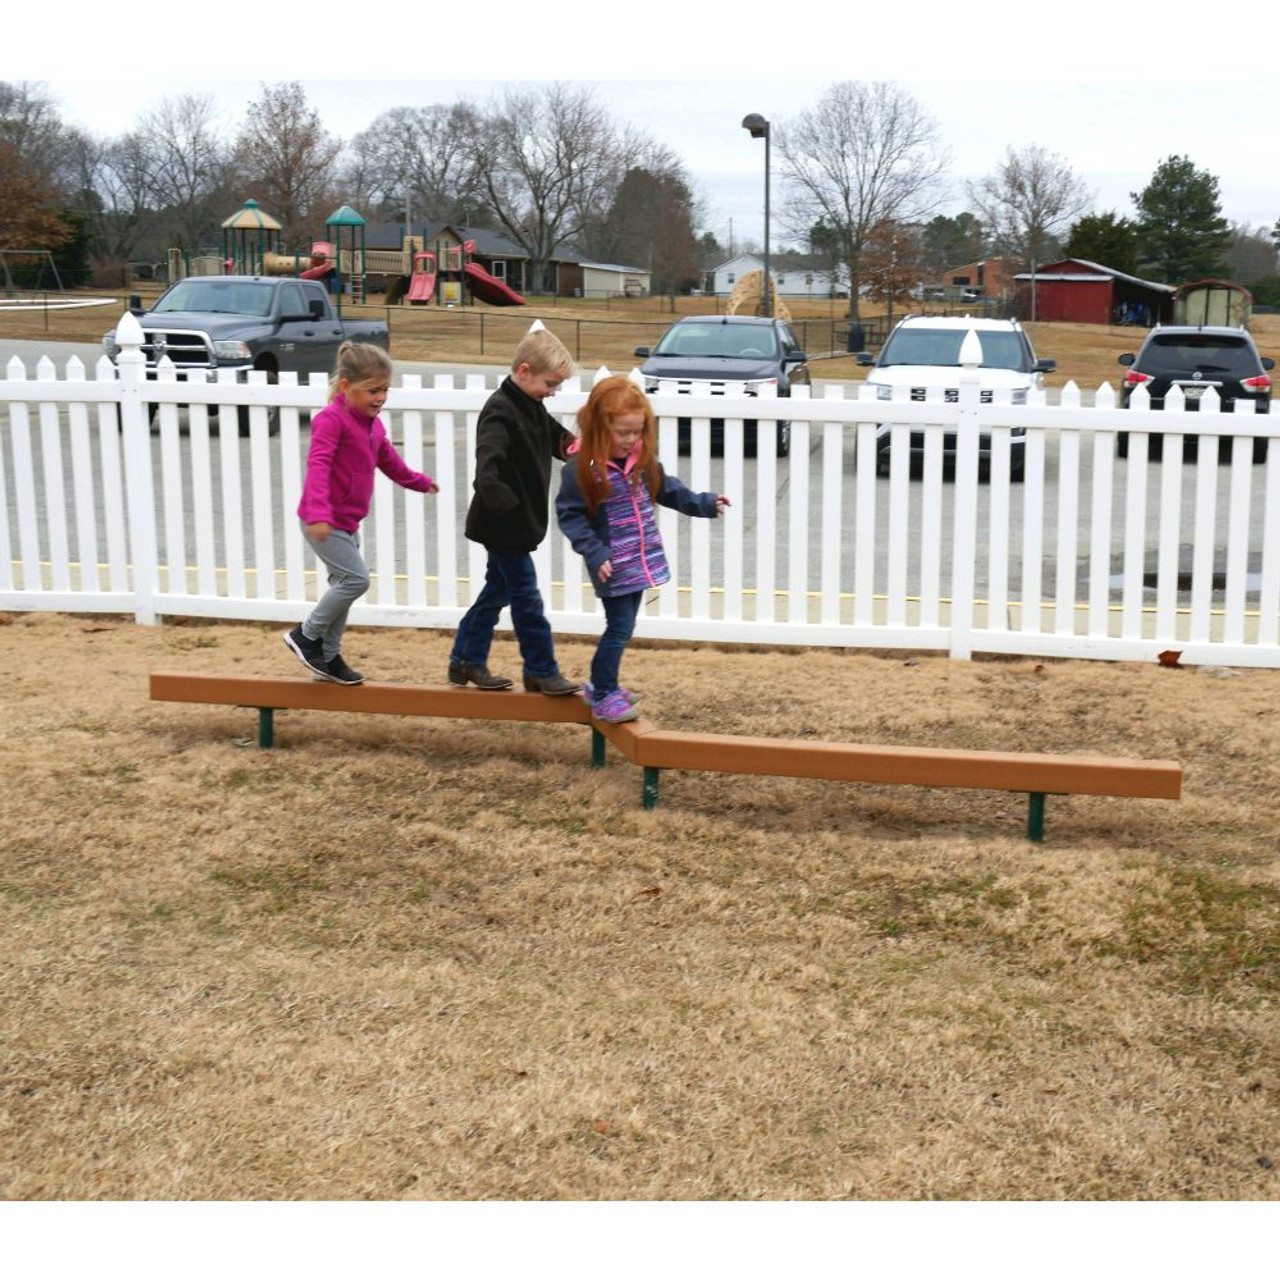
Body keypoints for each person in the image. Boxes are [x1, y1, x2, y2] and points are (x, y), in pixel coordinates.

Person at [555, 375, 729, 724]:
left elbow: (667, 489)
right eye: (623, 433)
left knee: (625, 625)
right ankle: (602, 694)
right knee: (619, 627)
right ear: (601, 428)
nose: (631, 439)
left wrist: (705, 503)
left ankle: (604, 685)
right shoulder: (581, 470)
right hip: (612, 562)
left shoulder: (641, 458)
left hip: (639, 557)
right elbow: (570, 517)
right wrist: (595, 553)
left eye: (637, 431)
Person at [283, 341, 438, 686]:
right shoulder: (331, 420)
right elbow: (318, 466)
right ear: (345, 387)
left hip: (348, 521)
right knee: (356, 580)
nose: (380, 397)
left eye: (385, 389)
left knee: (345, 585)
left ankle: (329, 655)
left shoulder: (373, 424)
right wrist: (320, 513)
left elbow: (388, 461)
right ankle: (306, 636)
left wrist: (419, 481)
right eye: (372, 391)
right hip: (322, 520)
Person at [448, 326, 581, 695]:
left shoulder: (532, 406)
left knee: (497, 593)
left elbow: (559, 440)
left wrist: (582, 449)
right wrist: (511, 510)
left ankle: (465, 660)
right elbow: (486, 473)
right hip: (503, 525)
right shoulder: (500, 411)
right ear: (523, 371)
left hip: (516, 526)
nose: (552, 392)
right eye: (549, 383)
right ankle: (541, 669)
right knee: (527, 597)